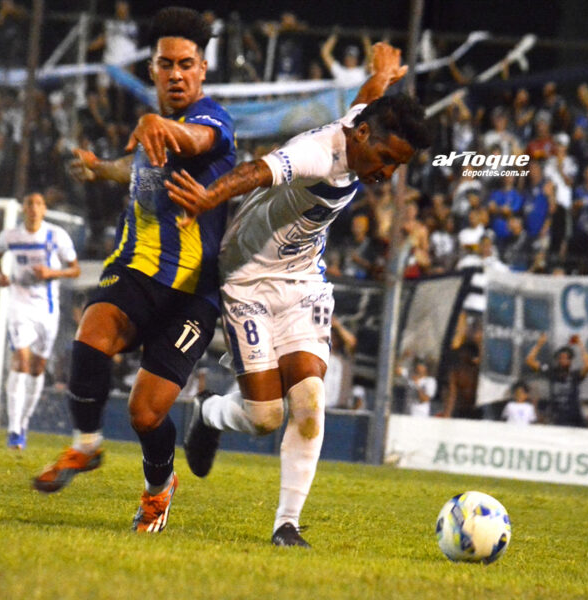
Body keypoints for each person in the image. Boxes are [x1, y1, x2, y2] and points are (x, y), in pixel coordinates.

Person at [165, 43, 427, 547]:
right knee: (264, 417)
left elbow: (367, 99)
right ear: (365, 137)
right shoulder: (316, 155)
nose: (386, 174)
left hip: (304, 280)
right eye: (386, 159)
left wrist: (380, 75)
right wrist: (207, 198)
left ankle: (287, 525)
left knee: (309, 401)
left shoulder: (362, 125)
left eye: (397, 168)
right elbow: (256, 171)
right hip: (246, 280)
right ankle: (209, 413)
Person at [31, 8, 236, 537]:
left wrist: (156, 124)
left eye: (186, 64)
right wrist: (105, 168)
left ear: (203, 69)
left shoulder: (214, 121)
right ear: (151, 69)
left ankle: (158, 488)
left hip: (192, 294)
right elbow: (144, 165)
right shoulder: (149, 128)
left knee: (147, 414)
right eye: (165, 63)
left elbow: (191, 143)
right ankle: (87, 447)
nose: (175, 73)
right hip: (136, 268)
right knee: (91, 333)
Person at [0, 192, 79, 449]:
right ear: (23, 209)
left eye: (38, 204)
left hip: (47, 310)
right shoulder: (10, 236)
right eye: (29, 204)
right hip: (19, 305)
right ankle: (14, 428)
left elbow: (75, 269)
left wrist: (52, 272)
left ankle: (24, 422)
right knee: (21, 362)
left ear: (44, 209)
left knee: (38, 368)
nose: (33, 208)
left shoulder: (56, 236)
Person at [525, 333, 588, 427]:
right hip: (557, 418)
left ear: (570, 361)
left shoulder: (575, 375)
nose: (563, 360)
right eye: (561, 358)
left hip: (575, 418)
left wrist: (580, 345)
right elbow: (530, 361)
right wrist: (539, 344)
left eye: (566, 358)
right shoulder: (552, 372)